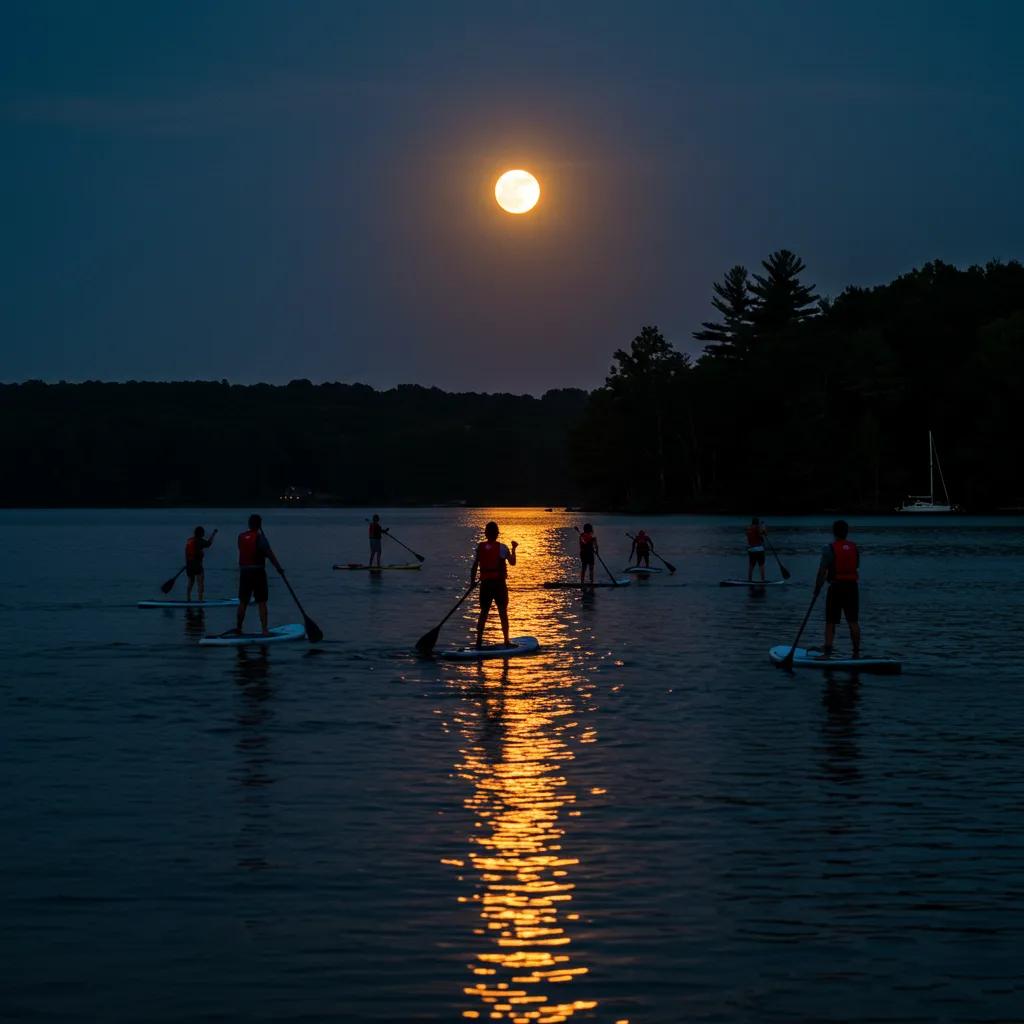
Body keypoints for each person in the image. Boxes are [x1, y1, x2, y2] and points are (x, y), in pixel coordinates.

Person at [814, 519, 861, 659]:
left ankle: (827, 650)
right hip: (852, 587)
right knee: (853, 621)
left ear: (834, 532)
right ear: (846, 532)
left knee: (830, 620)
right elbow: (856, 565)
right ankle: (856, 651)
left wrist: (817, 589)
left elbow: (822, 571)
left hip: (836, 587)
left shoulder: (829, 548)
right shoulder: (854, 548)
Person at [233, 514, 284, 636]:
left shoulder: (240, 537)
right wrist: (279, 568)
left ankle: (239, 628)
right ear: (259, 525)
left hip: (244, 572)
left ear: (249, 524)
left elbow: (244, 550)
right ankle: (264, 629)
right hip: (258, 572)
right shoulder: (260, 538)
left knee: (243, 601)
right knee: (262, 601)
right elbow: (269, 554)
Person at [469, 521, 518, 647]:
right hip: (498, 584)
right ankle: (506, 641)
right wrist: (513, 549)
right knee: (502, 611)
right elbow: (512, 562)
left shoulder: (480, 547)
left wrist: (472, 582)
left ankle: (478, 642)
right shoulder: (502, 548)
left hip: (485, 584)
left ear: (486, 534)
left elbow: (474, 566)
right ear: (497, 534)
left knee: (483, 612)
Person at [184, 526, 216, 602]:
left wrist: (187, 564)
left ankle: (188, 599)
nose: (204, 534)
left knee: (191, 582)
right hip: (197, 565)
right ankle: (200, 600)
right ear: (200, 533)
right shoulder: (200, 540)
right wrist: (213, 534)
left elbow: (186, 553)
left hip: (189, 565)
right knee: (200, 583)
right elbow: (209, 544)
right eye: (203, 533)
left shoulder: (189, 541)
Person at [746, 517, 767, 582]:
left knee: (751, 566)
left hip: (751, 550)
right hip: (759, 550)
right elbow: (764, 533)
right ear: (757, 523)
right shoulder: (758, 528)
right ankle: (763, 580)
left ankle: (749, 580)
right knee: (761, 566)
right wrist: (763, 527)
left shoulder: (748, 529)